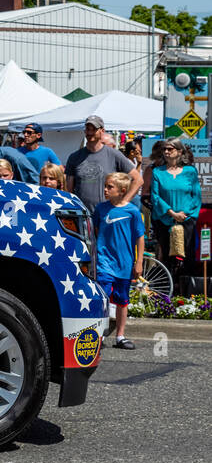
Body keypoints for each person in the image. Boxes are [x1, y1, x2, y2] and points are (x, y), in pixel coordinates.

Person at [92, 172, 145, 350]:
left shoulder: (132, 211)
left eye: (110, 187)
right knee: (103, 296)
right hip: (103, 261)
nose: (105, 190)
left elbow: (140, 237)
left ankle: (120, 336)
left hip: (124, 263)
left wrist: (139, 262)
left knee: (122, 300)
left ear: (122, 190)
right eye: (105, 186)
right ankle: (97, 335)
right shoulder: (100, 209)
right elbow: (95, 232)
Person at [64, 115, 141, 214]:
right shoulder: (74, 157)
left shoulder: (114, 154)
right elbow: (69, 190)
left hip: (107, 215)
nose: (90, 132)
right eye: (88, 129)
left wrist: (123, 203)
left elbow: (138, 180)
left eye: (94, 129)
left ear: (102, 131)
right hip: (82, 216)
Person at [150, 137, 202, 276]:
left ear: (179, 152)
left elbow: (195, 196)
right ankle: (168, 291)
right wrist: (172, 213)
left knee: (188, 255)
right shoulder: (157, 172)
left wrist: (185, 215)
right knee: (167, 256)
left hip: (186, 219)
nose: (166, 152)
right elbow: (155, 196)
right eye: (164, 149)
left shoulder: (190, 171)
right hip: (163, 220)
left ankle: (187, 294)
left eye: (170, 149)